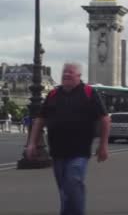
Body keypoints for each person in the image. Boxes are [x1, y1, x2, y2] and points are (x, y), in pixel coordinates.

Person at [27, 62, 110, 215]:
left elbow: (105, 119)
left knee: (73, 183)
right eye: (64, 72)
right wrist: (32, 143)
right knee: (65, 192)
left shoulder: (89, 92)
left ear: (79, 76)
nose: (66, 74)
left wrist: (103, 145)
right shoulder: (53, 94)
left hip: (79, 152)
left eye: (70, 72)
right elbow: (40, 119)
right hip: (57, 152)